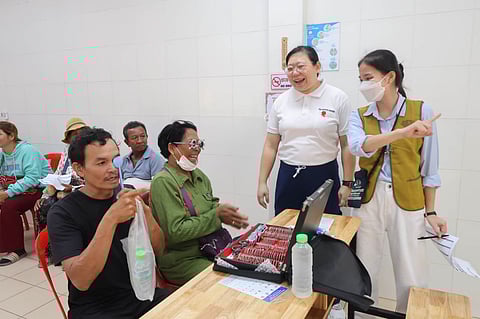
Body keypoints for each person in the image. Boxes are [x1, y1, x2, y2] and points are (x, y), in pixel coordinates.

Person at [347, 49, 447, 315]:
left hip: (409, 199)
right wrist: (402, 133)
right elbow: (359, 146)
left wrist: (432, 211)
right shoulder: (359, 115)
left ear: (389, 77)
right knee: (364, 267)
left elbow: (430, 168)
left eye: (368, 78)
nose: (363, 85)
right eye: (360, 79)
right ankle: (362, 315)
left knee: (411, 270)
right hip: (369, 199)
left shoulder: (422, 111)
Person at [47, 127, 170, 319]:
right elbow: (81, 279)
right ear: (80, 169)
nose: (113, 168)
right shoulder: (63, 212)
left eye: (115, 160)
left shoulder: (126, 195)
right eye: (101, 162)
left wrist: (146, 214)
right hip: (94, 307)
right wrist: (111, 219)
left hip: (139, 295)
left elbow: (159, 250)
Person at [257, 45, 355, 216]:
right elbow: (270, 145)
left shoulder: (337, 98)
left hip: (324, 175)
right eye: (290, 68)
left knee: (325, 231)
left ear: (317, 67)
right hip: (289, 175)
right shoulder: (281, 101)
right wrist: (262, 181)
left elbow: (347, 145)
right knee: (286, 228)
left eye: (301, 66)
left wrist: (347, 183)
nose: (295, 73)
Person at [151, 120, 248, 285]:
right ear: (171, 148)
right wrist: (216, 216)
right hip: (184, 259)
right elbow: (176, 231)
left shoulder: (199, 175)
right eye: (192, 143)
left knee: (250, 265)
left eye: (200, 144)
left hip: (211, 248)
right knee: (231, 281)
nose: (197, 149)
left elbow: (212, 206)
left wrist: (225, 213)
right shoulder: (163, 182)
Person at [0, 121, 49, 266]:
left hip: (38, 189)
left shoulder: (28, 151)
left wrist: (7, 193)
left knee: (9, 206)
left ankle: (17, 249)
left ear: (11, 136)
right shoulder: (2, 154)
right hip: (16, 190)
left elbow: (32, 179)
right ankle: (4, 245)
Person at [34, 117, 88, 230]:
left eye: (81, 133)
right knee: (43, 206)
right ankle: (49, 239)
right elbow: (57, 176)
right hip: (64, 190)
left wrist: (72, 188)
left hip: (83, 191)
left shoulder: (90, 151)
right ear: (69, 139)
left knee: (64, 205)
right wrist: (44, 196)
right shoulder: (66, 152)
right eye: (74, 134)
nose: (78, 136)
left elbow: (92, 181)